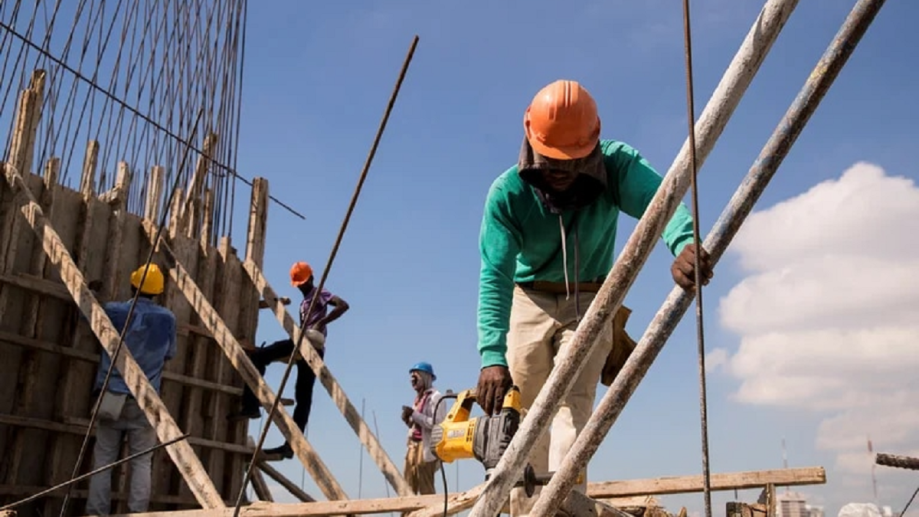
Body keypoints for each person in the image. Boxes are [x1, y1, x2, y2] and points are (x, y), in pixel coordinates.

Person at [475, 79, 714, 515]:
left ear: (592, 144)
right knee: (524, 418)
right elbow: (495, 276)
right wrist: (492, 355)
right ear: (531, 140)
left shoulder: (617, 167)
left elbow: (662, 200)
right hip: (528, 298)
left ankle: (563, 508)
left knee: (573, 409)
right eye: (549, 159)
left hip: (590, 298)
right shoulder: (508, 194)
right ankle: (524, 512)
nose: (558, 170)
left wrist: (683, 242)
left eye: (569, 160)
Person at [230, 260, 349, 459]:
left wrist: (322, 322)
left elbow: (343, 305)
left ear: (311, 279)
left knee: (261, 358)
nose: (302, 287)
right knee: (302, 396)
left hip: (309, 344)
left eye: (303, 283)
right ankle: (289, 445)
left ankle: (252, 407)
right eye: (299, 285)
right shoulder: (305, 301)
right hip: (304, 345)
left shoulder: (319, 292)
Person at [86, 264, 176, 516]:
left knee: (103, 459)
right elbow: (169, 353)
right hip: (146, 399)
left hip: (112, 395)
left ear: (132, 285)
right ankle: (137, 513)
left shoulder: (115, 311)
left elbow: (87, 315)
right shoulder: (167, 319)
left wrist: (91, 295)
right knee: (141, 460)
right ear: (157, 291)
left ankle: (96, 513)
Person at [400, 362, 447, 497]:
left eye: (416, 377)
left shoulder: (436, 397)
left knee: (426, 487)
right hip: (412, 446)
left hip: (425, 447)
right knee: (408, 486)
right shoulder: (418, 399)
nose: (413, 381)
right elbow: (418, 424)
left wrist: (414, 414)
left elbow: (437, 423)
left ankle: (430, 509)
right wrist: (408, 420)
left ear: (425, 377)